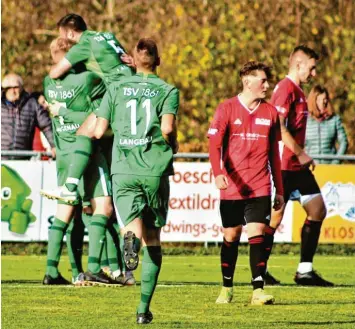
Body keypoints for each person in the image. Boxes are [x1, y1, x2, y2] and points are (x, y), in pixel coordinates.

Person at [94, 38, 179, 324]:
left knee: (130, 228)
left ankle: (129, 241)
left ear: (132, 58)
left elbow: (100, 129)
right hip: (154, 169)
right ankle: (143, 310)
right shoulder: (167, 90)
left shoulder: (115, 88)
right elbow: (167, 128)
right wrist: (173, 143)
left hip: (124, 168)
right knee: (153, 239)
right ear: (158, 60)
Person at [208, 61, 284, 305]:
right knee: (231, 235)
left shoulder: (271, 113)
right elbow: (214, 145)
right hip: (231, 187)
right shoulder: (226, 109)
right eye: (262, 80)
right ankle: (226, 287)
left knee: (257, 233)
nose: (267, 85)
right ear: (246, 81)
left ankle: (258, 290)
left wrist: (279, 189)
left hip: (260, 185)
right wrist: (218, 172)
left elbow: (275, 153)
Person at [42, 37, 116, 286]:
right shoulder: (86, 79)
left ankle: (53, 271)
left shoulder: (48, 82)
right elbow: (105, 97)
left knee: (66, 213)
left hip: (63, 156)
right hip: (87, 153)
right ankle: (96, 267)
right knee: (103, 207)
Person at [42, 13, 134, 202]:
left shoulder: (83, 45)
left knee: (84, 133)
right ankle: (74, 187)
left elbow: (55, 72)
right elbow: (124, 60)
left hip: (117, 93)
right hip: (133, 87)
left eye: (61, 34)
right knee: (99, 134)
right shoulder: (108, 35)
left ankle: (69, 188)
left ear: (69, 33)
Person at [264, 45, 334, 286]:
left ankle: (304, 270)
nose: (314, 73)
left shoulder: (299, 92)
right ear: (298, 65)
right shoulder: (285, 89)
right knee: (274, 219)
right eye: (311, 68)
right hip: (284, 164)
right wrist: (301, 154)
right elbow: (279, 128)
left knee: (317, 210)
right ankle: (259, 269)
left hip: (296, 166)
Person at [1, 73, 56, 160]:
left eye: (15, 87)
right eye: (9, 88)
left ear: (21, 87)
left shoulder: (32, 104)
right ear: (4, 89)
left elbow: (46, 126)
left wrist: (55, 146)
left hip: (23, 160)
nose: (12, 91)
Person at [305, 85, 348, 164]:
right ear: (313, 101)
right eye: (319, 100)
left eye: (325, 99)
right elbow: (297, 145)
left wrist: (336, 162)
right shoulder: (305, 121)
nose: (323, 103)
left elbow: (343, 142)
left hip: (330, 168)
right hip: (310, 169)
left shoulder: (334, 119)